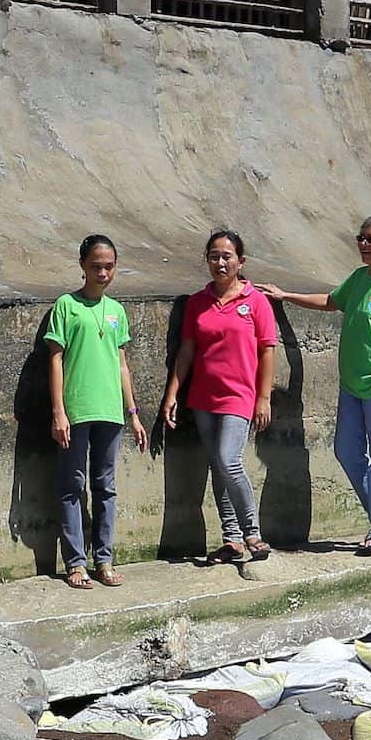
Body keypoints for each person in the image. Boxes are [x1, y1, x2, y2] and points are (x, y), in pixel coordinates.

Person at [258, 215, 371, 556]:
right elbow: (331, 301)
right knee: (346, 451)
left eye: (369, 239)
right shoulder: (360, 279)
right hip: (352, 386)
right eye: (360, 237)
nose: (362, 243)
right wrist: (285, 295)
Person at [160, 229, 277, 561]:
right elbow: (186, 353)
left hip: (239, 397)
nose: (220, 262)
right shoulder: (198, 303)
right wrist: (172, 394)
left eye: (227, 256)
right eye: (214, 256)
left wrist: (264, 398)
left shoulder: (255, 302)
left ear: (241, 262)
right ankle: (232, 538)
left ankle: (252, 533)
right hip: (202, 398)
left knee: (229, 461)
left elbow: (267, 351)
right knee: (218, 466)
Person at [46, 235, 148, 589]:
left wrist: (133, 412)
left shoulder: (117, 311)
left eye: (108, 267)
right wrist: (59, 411)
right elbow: (55, 359)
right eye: (95, 266)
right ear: (82, 266)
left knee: (106, 486)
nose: (102, 273)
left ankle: (104, 559)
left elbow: (121, 365)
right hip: (76, 410)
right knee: (72, 485)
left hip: (110, 412)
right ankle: (75, 562)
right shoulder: (66, 306)